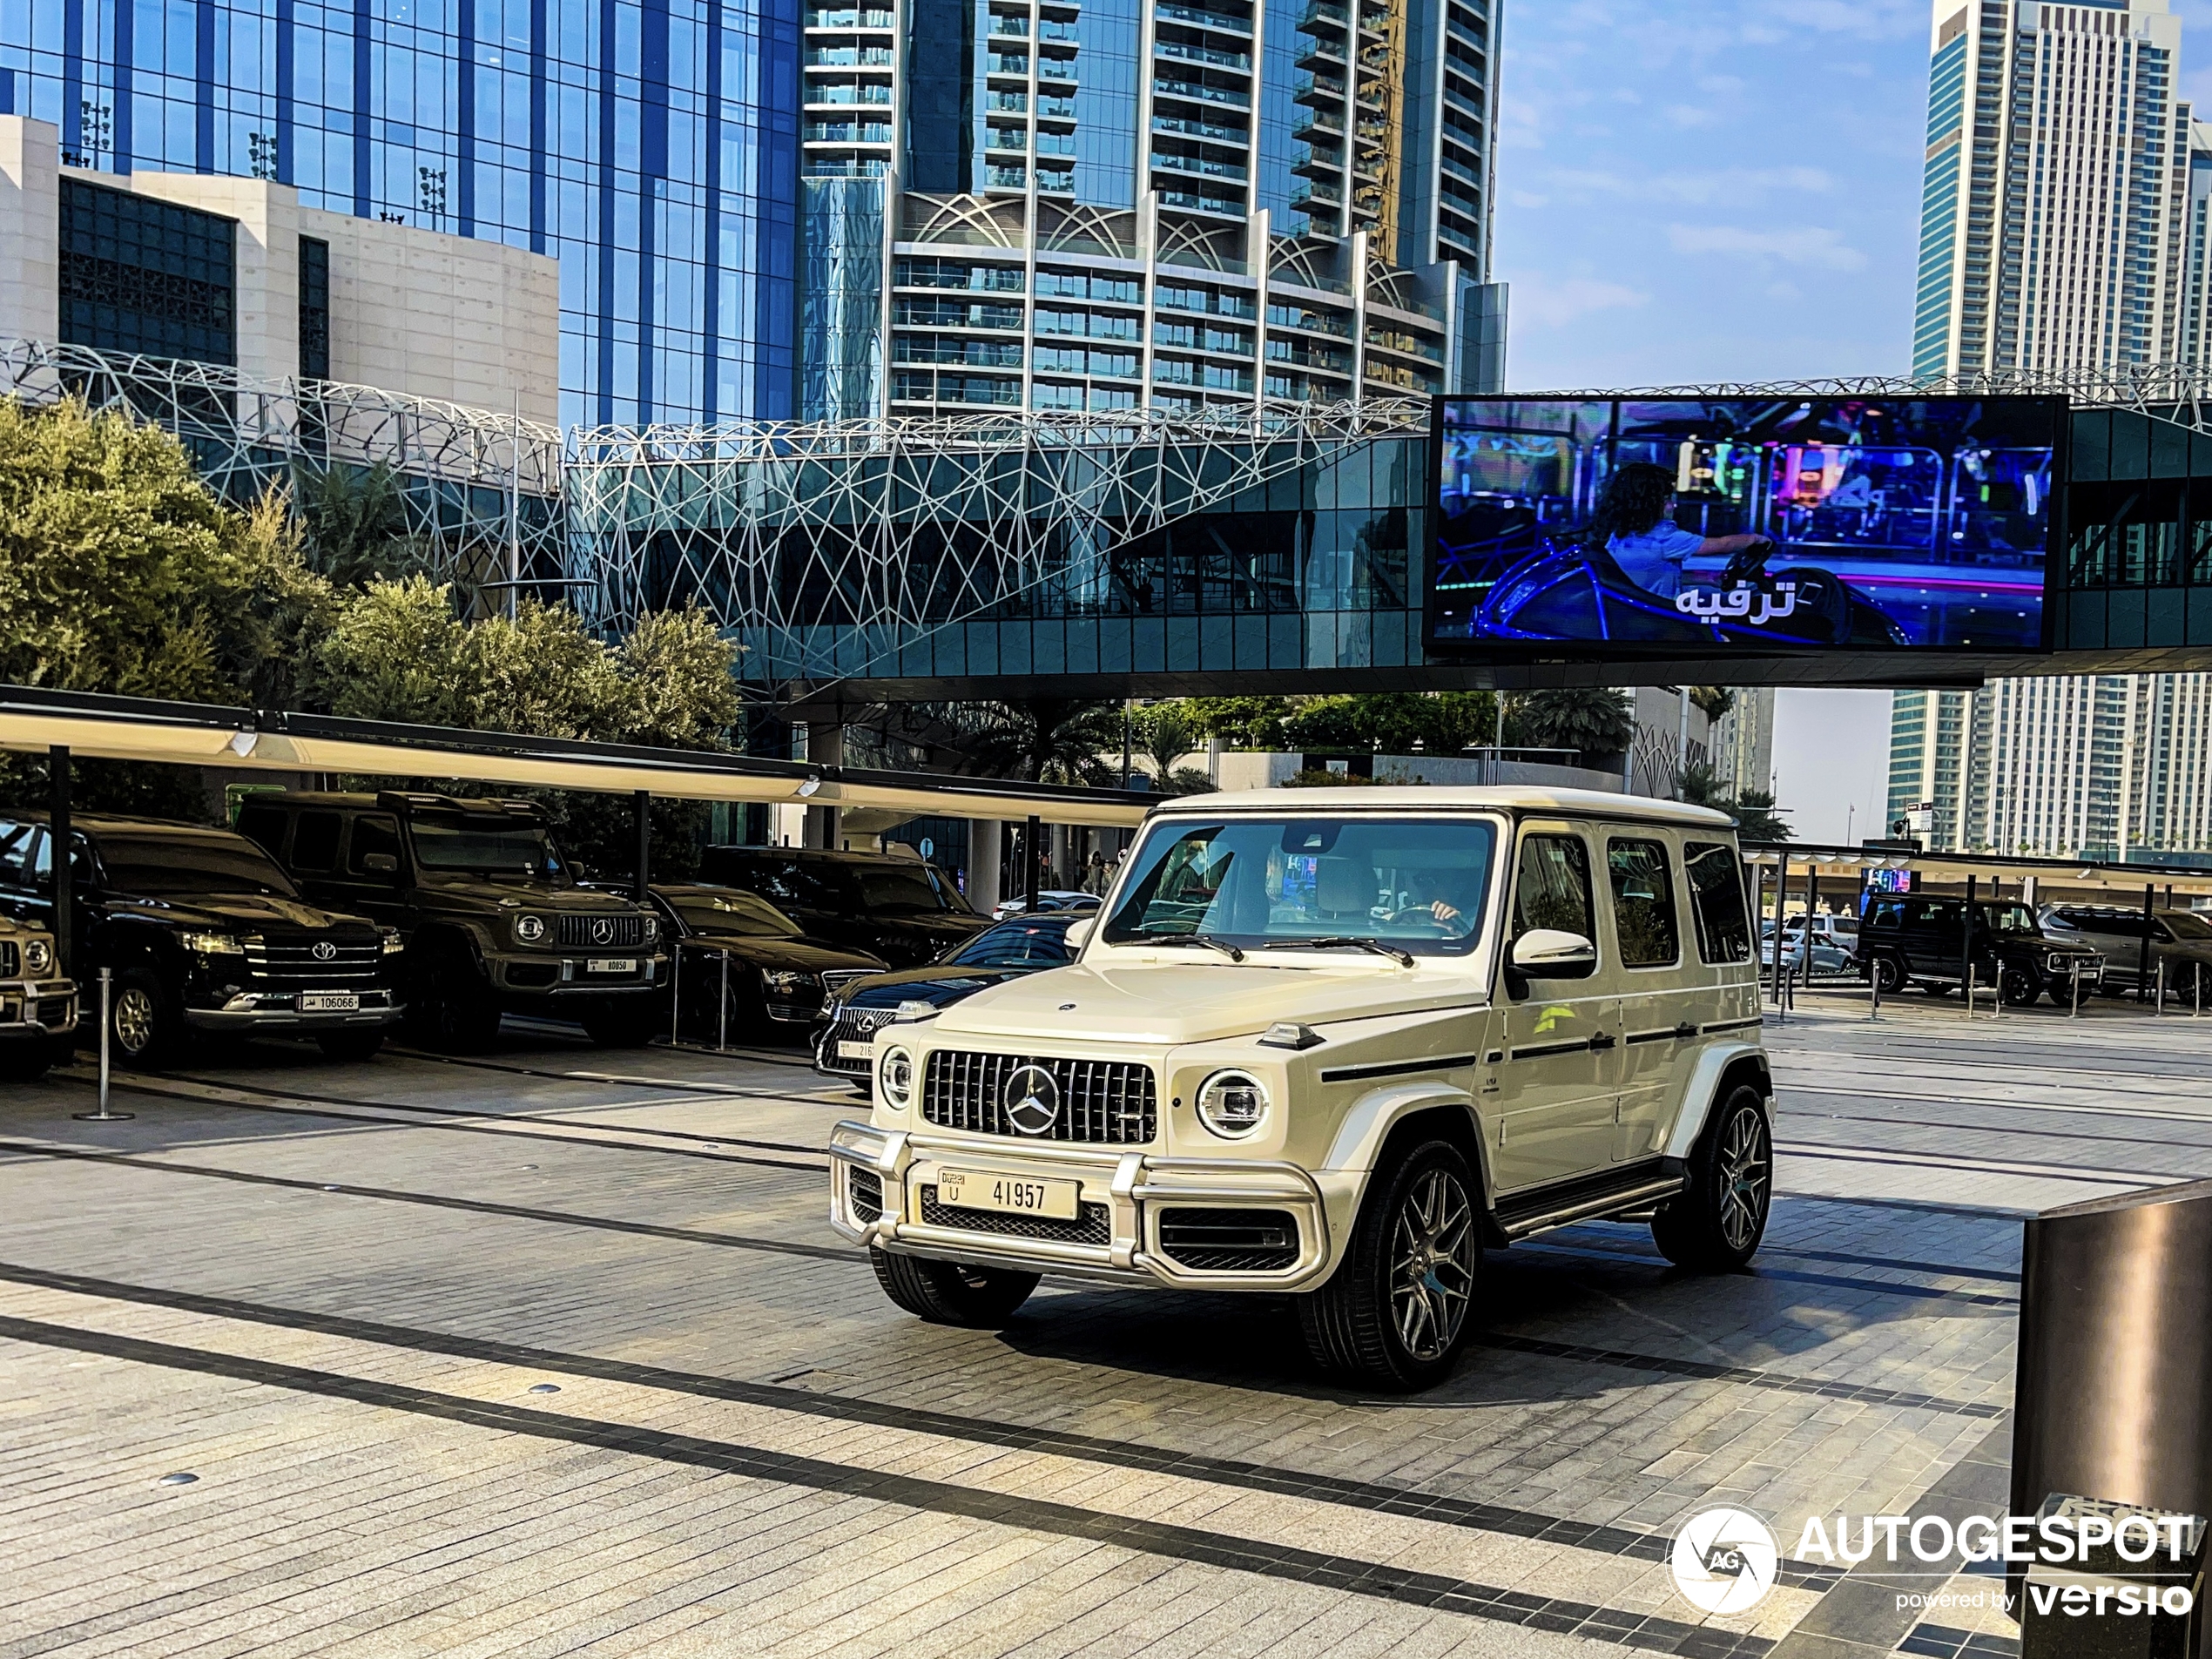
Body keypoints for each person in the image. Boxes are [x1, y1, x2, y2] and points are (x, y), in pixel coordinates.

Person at [1588, 462, 1773, 601]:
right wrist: (1755, 538)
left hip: (1638, 608)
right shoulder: (1662, 537)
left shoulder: (1619, 534)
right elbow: (1720, 545)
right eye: (1668, 499)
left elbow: (1651, 575)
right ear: (1650, 503)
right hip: (1659, 616)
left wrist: (1706, 579)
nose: (1673, 505)